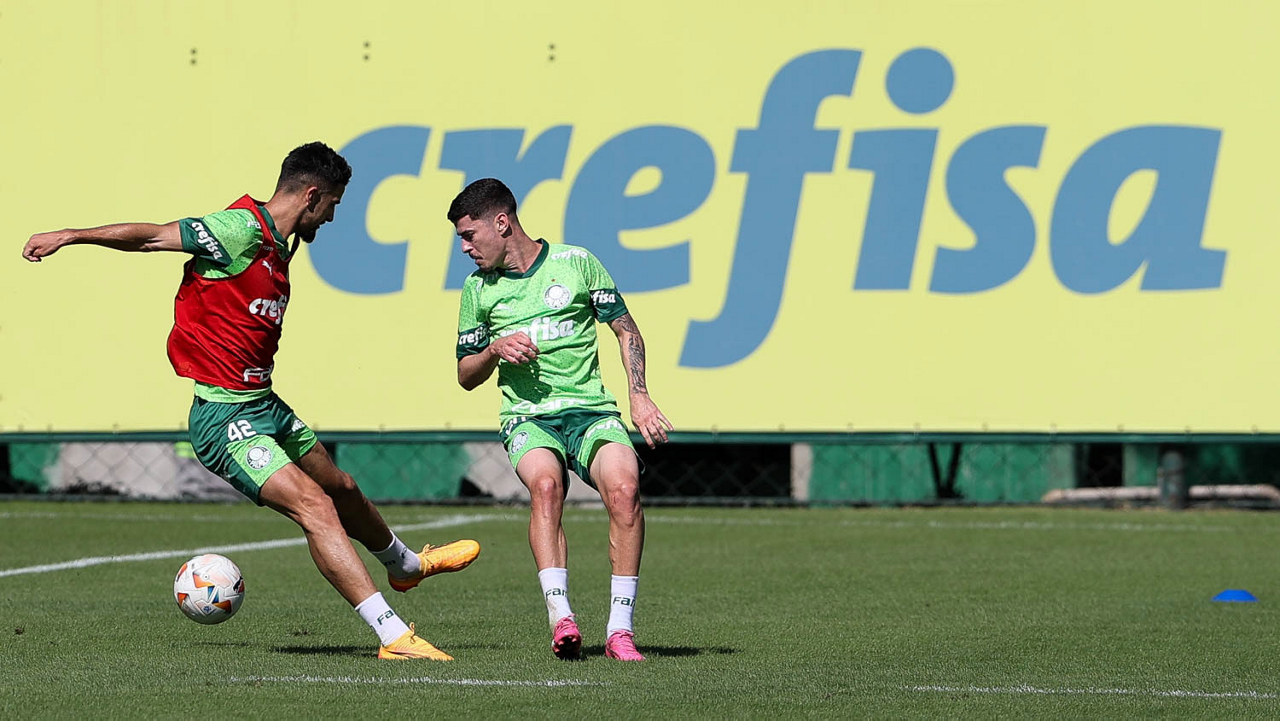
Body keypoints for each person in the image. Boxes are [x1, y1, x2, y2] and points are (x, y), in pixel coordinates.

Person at [23, 142, 479, 661]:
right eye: (332, 204)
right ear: (311, 196)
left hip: (262, 403)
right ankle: (393, 636)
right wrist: (69, 236)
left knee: (342, 486)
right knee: (315, 507)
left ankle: (405, 566)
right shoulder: (238, 230)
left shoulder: (281, 244)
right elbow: (151, 237)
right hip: (225, 417)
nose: (332, 218)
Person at [450, 178, 673, 661]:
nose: (465, 248)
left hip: (590, 411)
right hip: (528, 417)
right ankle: (561, 617)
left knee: (625, 491)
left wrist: (639, 396)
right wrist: (493, 349)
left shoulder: (577, 263)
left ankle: (620, 632)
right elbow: (466, 375)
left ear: (502, 223)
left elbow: (626, 329)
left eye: (469, 235)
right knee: (547, 486)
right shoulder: (477, 290)